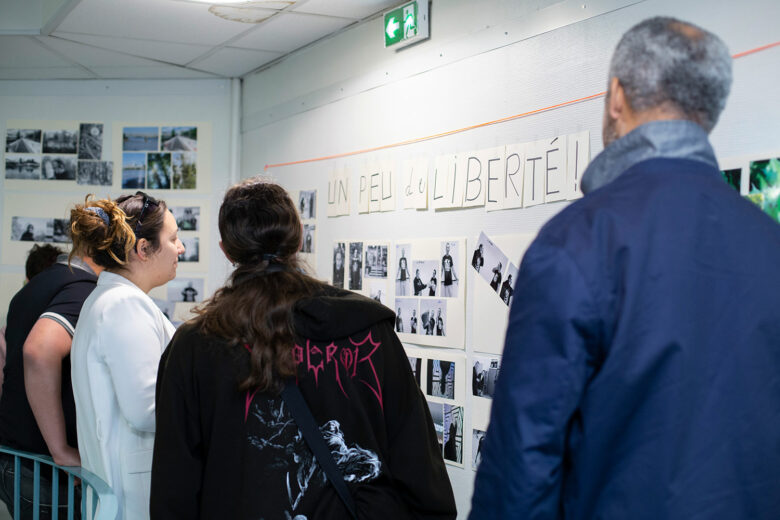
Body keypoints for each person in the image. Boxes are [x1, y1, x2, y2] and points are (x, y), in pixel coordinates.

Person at [470, 17, 780, 519]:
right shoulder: (770, 244)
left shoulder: (577, 241)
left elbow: (522, 466)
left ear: (617, 96)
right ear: (708, 112)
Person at [150, 179, 455, 519]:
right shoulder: (368, 328)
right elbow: (416, 458)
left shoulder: (196, 345)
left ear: (226, 250)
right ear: (297, 240)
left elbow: (175, 484)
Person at [70, 191, 184, 520]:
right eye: (173, 238)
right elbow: (146, 410)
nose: (181, 249)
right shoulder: (123, 305)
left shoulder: (112, 299)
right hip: (133, 499)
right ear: (144, 249)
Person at [0, 207, 102, 519]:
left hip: (16, 458)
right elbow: (38, 351)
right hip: (44, 469)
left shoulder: (40, 282)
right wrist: (61, 449)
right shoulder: (81, 289)